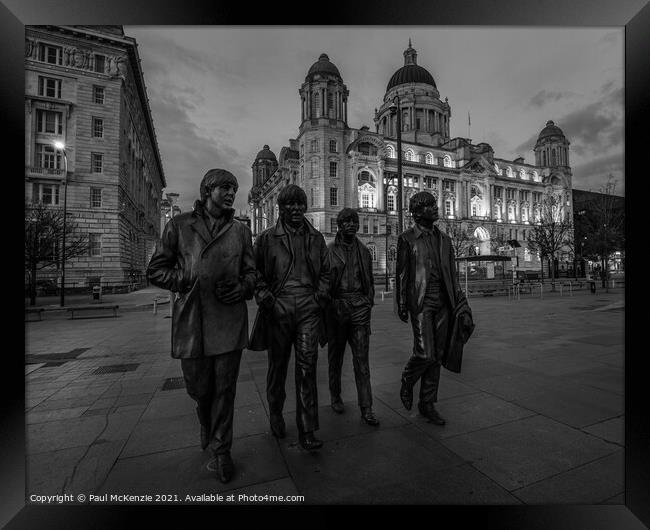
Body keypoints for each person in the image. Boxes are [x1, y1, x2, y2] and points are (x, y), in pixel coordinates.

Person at [147, 169, 255, 483]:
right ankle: (205, 419)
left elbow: (252, 274)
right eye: (225, 188)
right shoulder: (179, 226)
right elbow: (156, 270)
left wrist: (243, 287)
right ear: (207, 190)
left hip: (228, 321)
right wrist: (183, 279)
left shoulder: (240, 231)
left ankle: (222, 451)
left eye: (234, 189)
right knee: (199, 389)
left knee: (225, 390)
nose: (231, 194)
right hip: (192, 321)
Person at [249, 184, 330, 451]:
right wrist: (266, 298)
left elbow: (327, 273)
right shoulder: (266, 238)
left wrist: (320, 296)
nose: (295, 209)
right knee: (278, 367)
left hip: (308, 308)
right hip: (279, 308)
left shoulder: (316, 238)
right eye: (290, 205)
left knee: (307, 369)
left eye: (299, 204)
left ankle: (307, 429)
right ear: (280, 208)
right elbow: (254, 274)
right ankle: (275, 413)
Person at [395, 191, 472, 425]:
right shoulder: (407, 238)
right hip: (421, 302)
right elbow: (402, 274)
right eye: (429, 206)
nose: (435, 208)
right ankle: (408, 380)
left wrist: (461, 302)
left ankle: (427, 403)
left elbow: (452, 274)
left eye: (435, 205)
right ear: (417, 212)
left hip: (444, 303)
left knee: (437, 355)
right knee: (425, 353)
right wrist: (401, 303)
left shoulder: (446, 240)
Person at [326, 208, 379, 426]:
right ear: (339, 225)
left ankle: (366, 407)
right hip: (338, 307)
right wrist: (331, 305)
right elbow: (324, 282)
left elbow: (370, 282)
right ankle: (335, 395)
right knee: (335, 357)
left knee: (362, 361)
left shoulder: (364, 251)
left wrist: (367, 303)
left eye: (354, 221)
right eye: (346, 221)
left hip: (359, 308)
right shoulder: (329, 251)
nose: (351, 225)